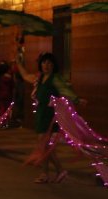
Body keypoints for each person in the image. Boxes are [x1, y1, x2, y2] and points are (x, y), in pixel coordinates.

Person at [16, 52, 87, 183]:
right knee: (45, 146)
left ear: (53, 65)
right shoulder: (39, 78)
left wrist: (77, 99)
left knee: (44, 146)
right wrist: (18, 63)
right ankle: (50, 173)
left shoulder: (55, 78)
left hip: (50, 115)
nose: (46, 65)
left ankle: (51, 172)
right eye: (44, 62)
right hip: (41, 113)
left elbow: (65, 90)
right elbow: (26, 76)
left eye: (49, 63)